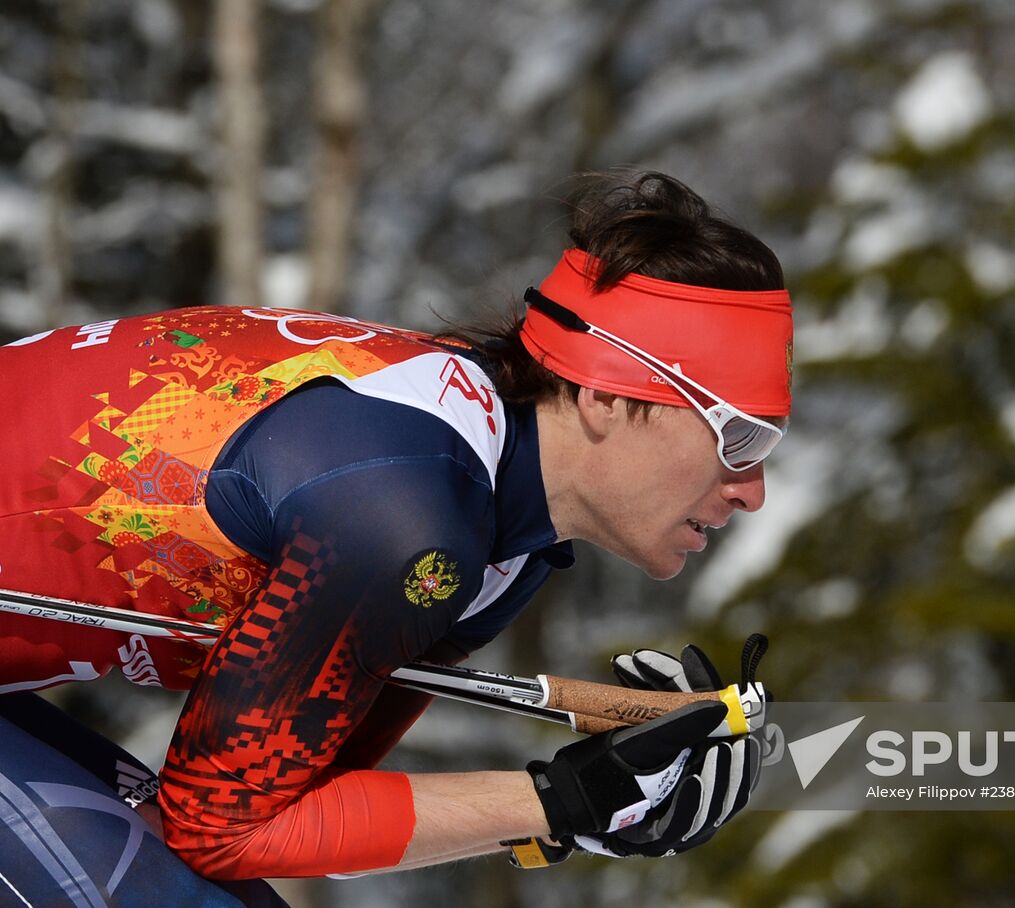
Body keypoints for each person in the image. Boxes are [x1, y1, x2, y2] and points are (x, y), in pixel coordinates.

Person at [0, 171, 791, 904]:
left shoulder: (499, 539)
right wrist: (564, 800)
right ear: (607, 396)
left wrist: (576, 805)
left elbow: (300, 807)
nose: (752, 491)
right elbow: (222, 826)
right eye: (740, 438)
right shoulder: (410, 520)